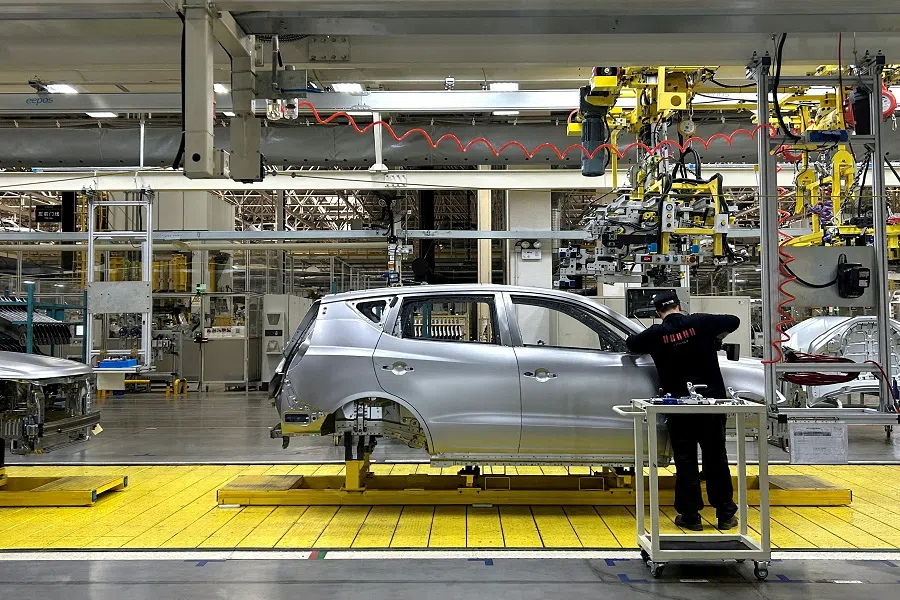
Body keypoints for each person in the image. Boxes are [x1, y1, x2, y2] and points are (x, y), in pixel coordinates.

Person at [625, 290, 740, 531]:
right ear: (679, 305)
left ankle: (691, 516)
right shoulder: (701, 321)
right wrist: (715, 338)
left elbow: (631, 344)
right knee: (716, 457)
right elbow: (734, 320)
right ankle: (725, 514)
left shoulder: (655, 334)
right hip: (711, 404)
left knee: (685, 459)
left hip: (679, 405)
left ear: (659, 312)